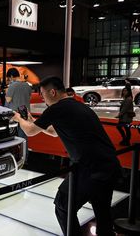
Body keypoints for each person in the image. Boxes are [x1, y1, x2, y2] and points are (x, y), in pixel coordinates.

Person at [12, 76, 121, 236]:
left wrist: (19, 119)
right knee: (102, 213)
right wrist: (33, 121)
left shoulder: (57, 108)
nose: (42, 98)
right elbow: (54, 132)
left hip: (88, 169)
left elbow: (29, 131)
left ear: (53, 92)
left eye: (42, 94)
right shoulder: (76, 106)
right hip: (109, 165)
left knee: (63, 206)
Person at [5, 68, 32, 160]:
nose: (9, 80)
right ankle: (25, 157)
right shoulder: (27, 85)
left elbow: (8, 100)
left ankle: (15, 157)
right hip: (25, 113)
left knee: (13, 137)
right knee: (24, 136)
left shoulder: (12, 86)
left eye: (8, 78)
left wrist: (6, 92)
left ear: (11, 77)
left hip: (15, 115)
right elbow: (29, 97)